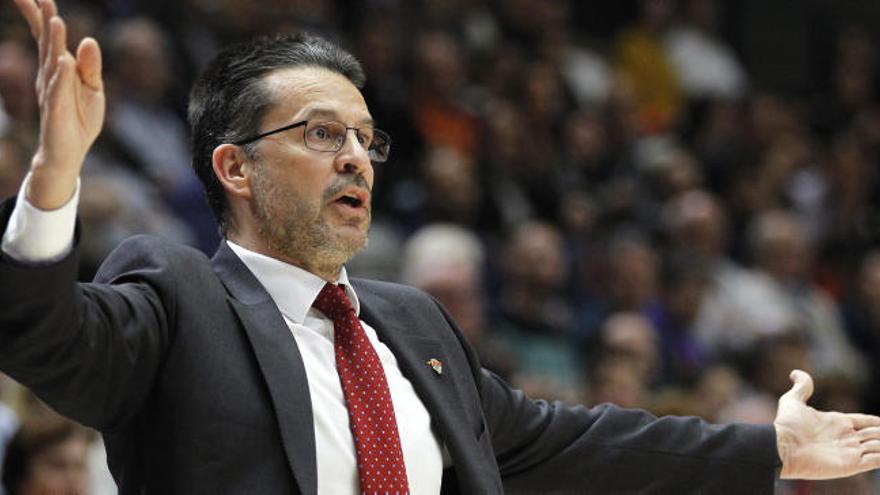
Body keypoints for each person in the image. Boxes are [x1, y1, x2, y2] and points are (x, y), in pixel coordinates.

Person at [2, 1, 880, 493]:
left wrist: (769, 444)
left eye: (367, 138)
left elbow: (572, 441)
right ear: (235, 167)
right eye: (319, 132)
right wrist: (54, 178)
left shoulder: (409, 321)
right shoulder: (175, 293)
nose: (356, 155)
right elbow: (46, 338)